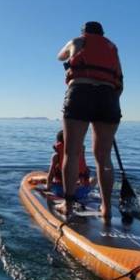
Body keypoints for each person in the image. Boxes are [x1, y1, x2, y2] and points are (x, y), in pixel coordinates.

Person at [56, 21, 123, 223]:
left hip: (80, 92)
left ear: (84, 32)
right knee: (104, 157)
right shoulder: (112, 48)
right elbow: (120, 82)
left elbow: (60, 56)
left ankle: (67, 204)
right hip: (108, 97)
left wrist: (72, 54)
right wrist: (110, 101)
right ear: (103, 34)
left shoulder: (78, 41)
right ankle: (106, 208)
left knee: (72, 151)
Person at [45, 130, 94, 198]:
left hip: (61, 191)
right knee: (93, 180)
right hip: (81, 192)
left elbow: (50, 175)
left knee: (51, 180)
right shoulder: (79, 153)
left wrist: (47, 188)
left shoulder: (56, 156)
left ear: (58, 142)